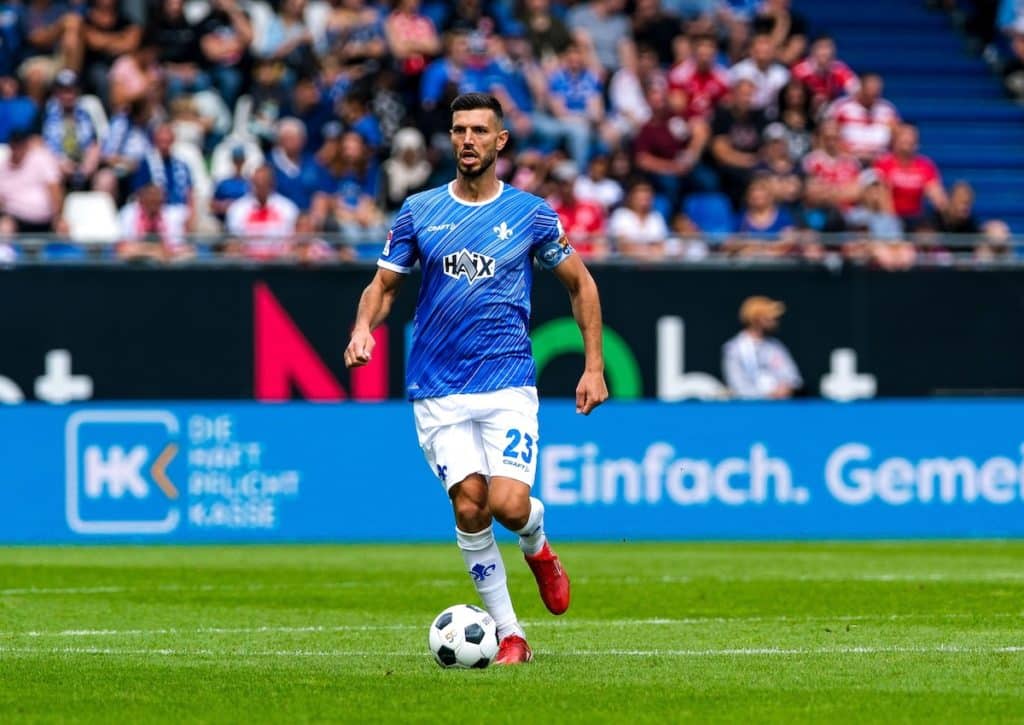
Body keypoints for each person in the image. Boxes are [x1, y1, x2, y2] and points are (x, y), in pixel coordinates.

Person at [344, 92, 608, 666]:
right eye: (460, 130)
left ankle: (537, 543)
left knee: (509, 505)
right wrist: (363, 327)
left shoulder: (530, 214)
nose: (468, 139)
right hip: (437, 388)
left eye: (479, 131)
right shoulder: (419, 210)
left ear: (500, 141)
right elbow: (384, 285)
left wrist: (593, 366)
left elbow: (580, 284)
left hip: (507, 382)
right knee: (469, 508)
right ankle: (512, 636)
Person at [722, 295, 802, 399]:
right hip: (749, 406)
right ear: (757, 319)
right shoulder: (734, 349)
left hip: (780, 405)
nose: (776, 320)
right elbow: (737, 385)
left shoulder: (776, 346)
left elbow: (793, 378)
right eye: (771, 317)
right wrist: (766, 395)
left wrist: (785, 388)